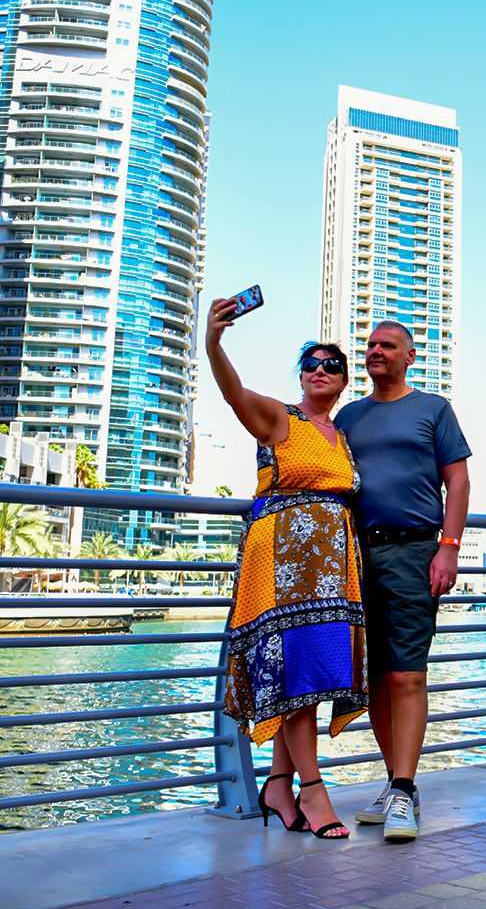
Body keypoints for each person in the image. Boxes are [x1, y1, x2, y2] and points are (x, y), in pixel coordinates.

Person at [206, 297, 367, 840]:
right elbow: (233, 395)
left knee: (311, 675)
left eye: (332, 365)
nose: (321, 370)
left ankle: (278, 783)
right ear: (301, 376)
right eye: (312, 363)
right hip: (281, 563)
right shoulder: (282, 418)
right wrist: (214, 340)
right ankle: (313, 792)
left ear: (344, 380)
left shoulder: (342, 437)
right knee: (296, 672)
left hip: (332, 568)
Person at [334, 320, 471, 842]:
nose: (374, 352)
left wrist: (448, 547)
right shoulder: (350, 416)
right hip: (356, 554)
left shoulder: (433, 409)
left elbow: (457, 480)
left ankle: (406, 790)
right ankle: (396, 785)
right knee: (373, 680)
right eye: (369, 345)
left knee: (406, 675)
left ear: (410, 356)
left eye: (386, 346)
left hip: (415, 551)